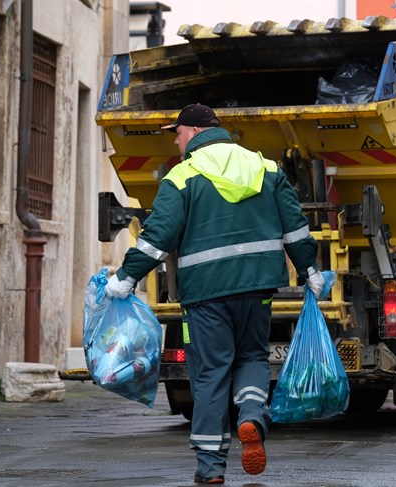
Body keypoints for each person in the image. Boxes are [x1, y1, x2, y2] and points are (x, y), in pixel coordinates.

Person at [105, 103, 325, 484]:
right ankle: (253, 414)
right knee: (253, 356)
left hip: (205, 294)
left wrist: (126, 277)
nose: (175, 140)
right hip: (257, 288)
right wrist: (309, 270)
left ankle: (210, 468)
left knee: (209, 374)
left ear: (192, 131)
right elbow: (296, 228)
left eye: (177, 133)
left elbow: (158, 237)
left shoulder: (183, 175)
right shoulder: (265, 167)